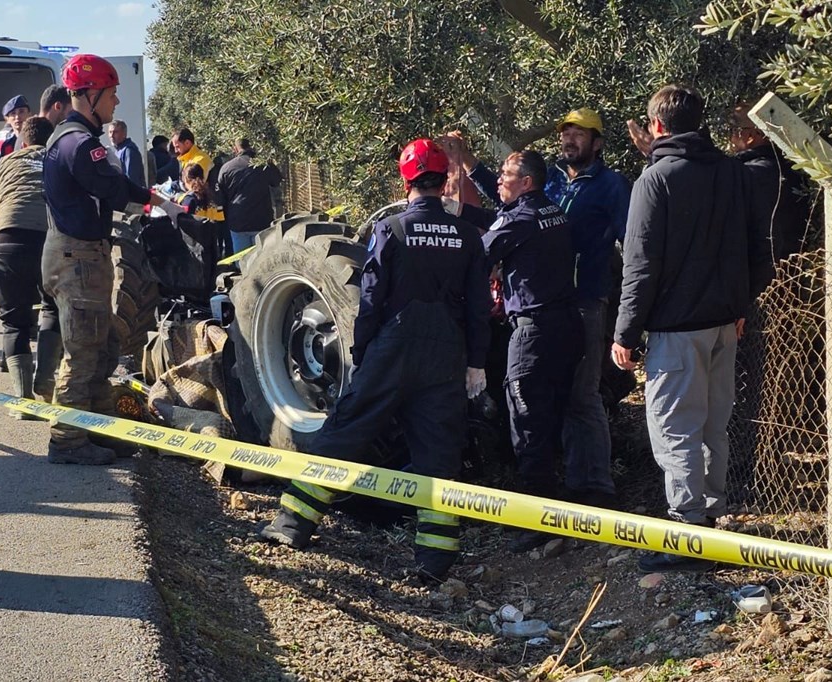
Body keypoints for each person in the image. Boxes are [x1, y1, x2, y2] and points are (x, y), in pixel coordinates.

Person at [259, 139, 491, 583]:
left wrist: (365, 353)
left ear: (406, 183)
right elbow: (479, 305)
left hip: (394, 345)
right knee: (439, 453)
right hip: (448, 351)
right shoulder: (466, 236)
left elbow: (370, 300)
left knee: (346, 430)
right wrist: (475, 362)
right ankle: (434, 565)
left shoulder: (392, 229)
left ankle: (292, 524)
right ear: (444, 183)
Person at [612, 85, 773, 573]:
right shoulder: (730, 170)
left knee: (675, 428)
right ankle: (711, 517)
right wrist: (741, 301)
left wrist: (625, 332)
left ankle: (687, 533)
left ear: (656, 126)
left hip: (678, 329)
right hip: (725, 322)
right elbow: (753, 240)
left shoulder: (655, 180)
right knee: (711, 425)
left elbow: (640, 264)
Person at [449, 108, 630, 510]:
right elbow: (511, 208)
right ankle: (569, 484)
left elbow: (632, 243)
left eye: (579, 134)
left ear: (598, 143)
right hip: (556, 307)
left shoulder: (611, 186)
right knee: (559, 396)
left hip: (585, 301)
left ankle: (596, 487)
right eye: (565, 132)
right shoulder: (553, 188)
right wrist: (468, 165)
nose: (569, 139)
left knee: (581, 397)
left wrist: (631, 311)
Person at [42, 54, 184, 465]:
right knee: (84, 352)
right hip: (78, 258)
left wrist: (152, 198)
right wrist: (153, 200)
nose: (116, 102)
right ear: (89, 95)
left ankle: (101, 428)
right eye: (112, 94)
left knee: (102, 348)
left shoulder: (72, 138)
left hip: (77, 254)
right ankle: (67, 440)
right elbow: (112, 186)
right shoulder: (79, 143)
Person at [456, 150, 584, 553]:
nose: (499, 182)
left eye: (506, 176)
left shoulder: (520, 219)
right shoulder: (553, 211)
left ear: (526, 182)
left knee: (527, 423)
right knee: (552, 418)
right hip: (566, 326)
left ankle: (538, 521)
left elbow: (477, 257)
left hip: (533, 331)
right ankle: (562, 505)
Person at [0, 116, 56, 415]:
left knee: (14, 323)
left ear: (24, 143)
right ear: (50, 139)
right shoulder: (59, 158)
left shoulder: (4, 163)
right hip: (48, 242)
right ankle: (45, 377)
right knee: (52, 308)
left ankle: (22, 401)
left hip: (8, 244)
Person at [730, 102, 810, 261]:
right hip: (792, 267)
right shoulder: (794, 169)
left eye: (732, 130)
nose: (730, 137)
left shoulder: (749, 174)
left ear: (751, 135)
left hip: (759, 270)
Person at [215, 138, 281, 253]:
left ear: (235, 149)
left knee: (242, 263)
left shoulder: (226, 168)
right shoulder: (264, 165)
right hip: (262, 221)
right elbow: (277, 181)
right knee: (263, 262)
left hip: (238, 223)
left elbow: (220, 197)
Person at [0, 94, 30, 171]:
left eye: (21, 111)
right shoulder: (1, 142)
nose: (17, 117)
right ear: (7, 119)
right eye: (13, 113)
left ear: (29, 114)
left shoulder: (37, 138)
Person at [108, 119, 145, 188]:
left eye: (115, 132)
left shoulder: (129, 150)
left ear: (124, 134)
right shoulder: (118, 150)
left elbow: (132, 179)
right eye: (110, 132)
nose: (111, 136)